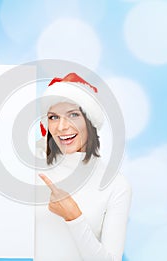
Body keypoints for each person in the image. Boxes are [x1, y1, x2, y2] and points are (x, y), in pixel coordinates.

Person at [35, 73, 132, 261]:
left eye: (73, 114)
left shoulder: (116, 185)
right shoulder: (32, 167)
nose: (62, 127)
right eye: (54, 117)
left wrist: (74, 217)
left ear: (90, 121)